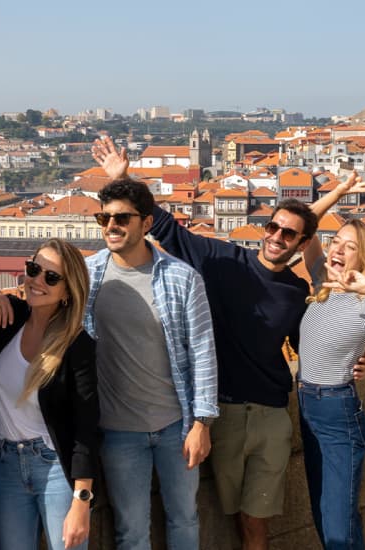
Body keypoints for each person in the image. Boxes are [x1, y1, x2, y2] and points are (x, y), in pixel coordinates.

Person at [91, 137, 365, 550]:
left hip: (276, 414)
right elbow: (164, 226)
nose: (277, 236)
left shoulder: (300, 291)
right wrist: (122, 177)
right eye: (272, 227)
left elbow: (311, 342)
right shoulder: (222, 260)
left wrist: (356, 359)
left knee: (276, 519)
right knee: (239, 518)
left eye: (289, 234)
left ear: (300, 244)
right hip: (223, 411)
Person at [83, 178, 218, 550]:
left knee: (185, 519)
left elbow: (203, 351)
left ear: (146, 223)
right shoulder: (87, 275)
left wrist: (201, 423)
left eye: (122, 218)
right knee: (131, 531)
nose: (111, 226)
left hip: (176, 426)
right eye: (104, 217)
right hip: (117, 430)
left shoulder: (182, 278)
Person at [0, 238, 100, 550]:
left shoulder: (77, 345)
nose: (37, 281)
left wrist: (82, 500)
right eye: (34, 269)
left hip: (55, 468)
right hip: (8, 463)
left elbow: (86, 426)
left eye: (51, 277)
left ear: (68, 291)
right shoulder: (6, 317)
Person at [298, 205, 365, 547]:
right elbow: (306, 225)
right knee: (326, 513)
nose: (338, 250)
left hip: (337, 413)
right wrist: (338, 194)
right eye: (337, 242)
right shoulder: (322, 282)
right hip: (306, 406)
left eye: (350, 247)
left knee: (337, 525)